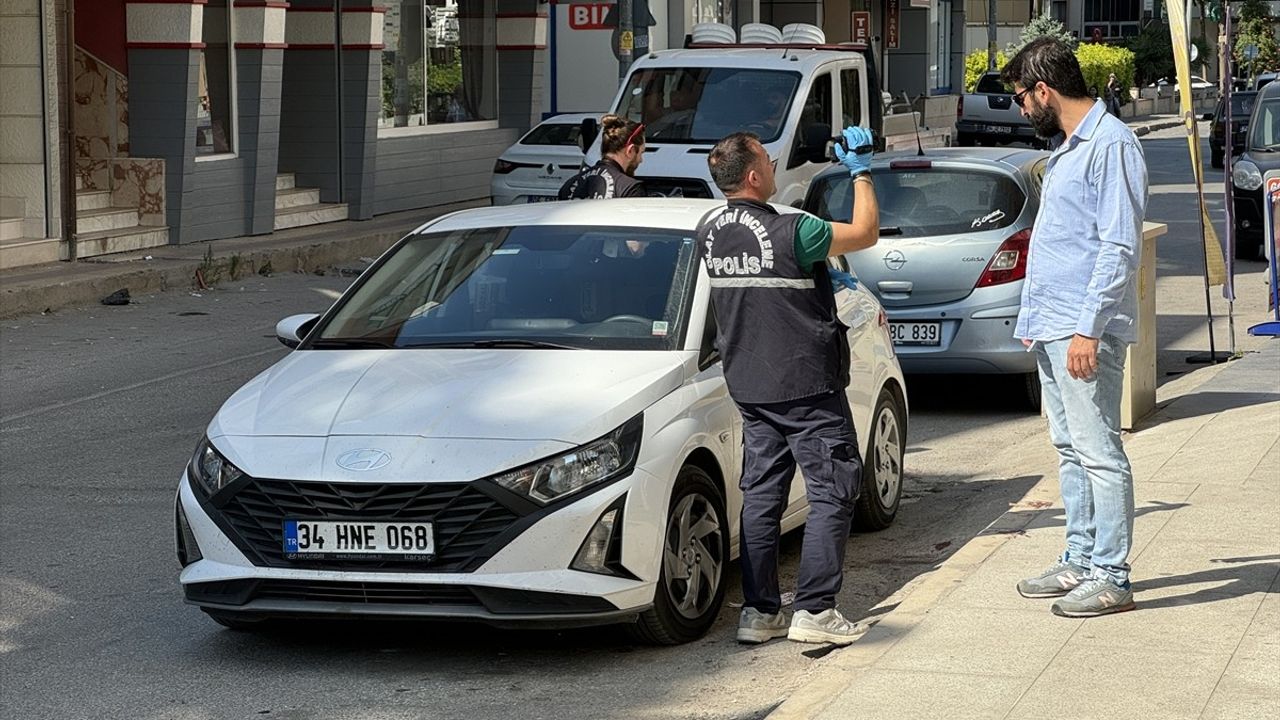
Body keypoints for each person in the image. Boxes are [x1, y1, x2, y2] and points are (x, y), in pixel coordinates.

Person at [697, 127, 880, 646]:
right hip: (806, 385)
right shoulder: (795, 231)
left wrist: (817, 277)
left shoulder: (707, 229)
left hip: (750, 385)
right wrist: (861, 170)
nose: (775, 167)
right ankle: (816, 610)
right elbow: (865, 232)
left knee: (761, 494)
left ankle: (760, 613)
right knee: (833, 488)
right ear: (754, 176)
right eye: (767, 160)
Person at [1003, 37, 1148, 617]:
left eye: (1021, 97)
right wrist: (1033, 319)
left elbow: (1117, 246)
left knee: (1099, 451)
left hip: (1085, 330)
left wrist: (1088, 329)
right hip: (1054, 325)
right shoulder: (1069, 147)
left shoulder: (1110, 145)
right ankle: (1080, 558)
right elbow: (1063, 242)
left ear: (1045, 90)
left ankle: (1112, 573)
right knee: (1069, 448)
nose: (1019, 110)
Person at [558, 114, 647, 200]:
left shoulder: (568, 186)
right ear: (630, 151)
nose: (641, 160)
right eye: (641, 153)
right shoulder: (630, 189)